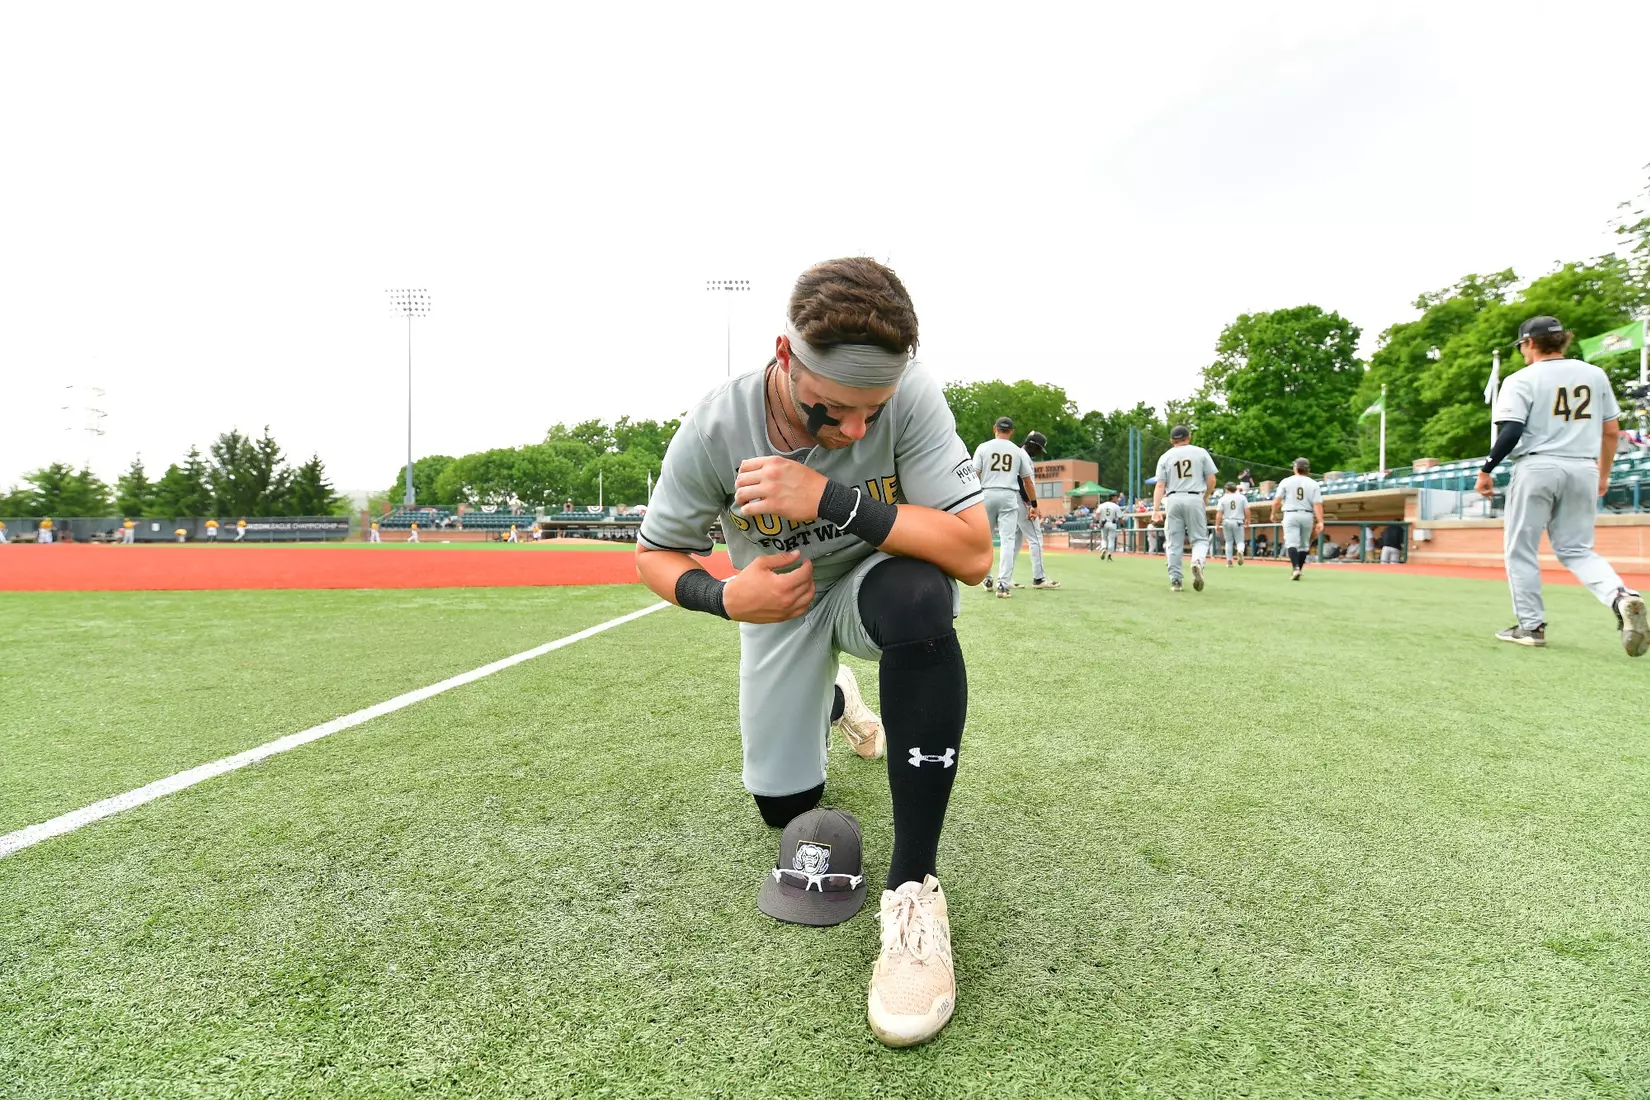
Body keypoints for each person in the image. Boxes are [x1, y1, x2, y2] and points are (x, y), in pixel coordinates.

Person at [635, 258, 989, 1047]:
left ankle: (915, 888)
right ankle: (836, 702)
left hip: (872, 586)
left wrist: (830, 497)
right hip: (779, 604)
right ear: (784, 358)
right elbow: (654, 554)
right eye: (835, 410)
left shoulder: (914, 394)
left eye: (874, 411)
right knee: (784, 811)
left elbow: (971, 553)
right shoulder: (716, 426)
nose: (857, 431)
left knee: (921, 597)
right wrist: (725, 596)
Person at [1477, 315, 1647, 655]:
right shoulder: (1594, 374)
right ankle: (1620, 596)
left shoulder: (1520, 379)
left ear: (1530, 343)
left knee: (1521, 549)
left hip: (1538, 465)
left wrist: (1487, 468)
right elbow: (1611, 432)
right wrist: (1603, 474)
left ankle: (1531, 626)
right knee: (1577, 549)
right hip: (1583, 466)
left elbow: (1511, 429)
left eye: (1522, 345)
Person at [972, 415, 1035, 598]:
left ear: (995, 429)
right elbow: (1027, 482)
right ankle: (1002, 584)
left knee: (985, 540)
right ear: (1012, 431)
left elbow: (974, 475)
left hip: (986, 494)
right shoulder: (1018, 451)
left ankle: (987, 577)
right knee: (1008, 541)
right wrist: (1034, 504)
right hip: (1009, 495)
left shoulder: (983, 447)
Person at [1151, 425, 1217, 593]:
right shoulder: (1200, 452)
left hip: (1173, 498)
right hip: (1195, 496)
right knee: (1200, 539)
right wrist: (1206, 496)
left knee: (1174, 542)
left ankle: (1176, 580)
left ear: (1171, 440)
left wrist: (1156, 509)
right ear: (1189, 437)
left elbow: (1160, 485)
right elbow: (1211, 479)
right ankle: (1197, 561)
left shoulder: (1165, 457)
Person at [1006, 430, 1060, 591]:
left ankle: (1005, 578)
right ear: (1032, 445)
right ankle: (1039, 578)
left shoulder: (1016, 453)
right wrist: (1031, 505)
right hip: (1021, 499)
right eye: (1038, 449)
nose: (1038, 453)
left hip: (1011, 499)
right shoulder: (1023, 456)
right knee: (1035, 538)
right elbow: (1023, 483)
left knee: (1015, 540)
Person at [1272, 458, 1324, 581]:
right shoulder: (1313, 483)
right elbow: (1317, 504)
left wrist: (1273, 514)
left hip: (1290, 514)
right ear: (1308, 470)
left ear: (1295, 468)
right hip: (1307, 515)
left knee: (1291, 543)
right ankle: (1299, 569)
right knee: (1304, 545)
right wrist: (1320, 521)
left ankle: (1295, 568)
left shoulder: (1286, 481)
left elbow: (1277, 501)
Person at [1217, 481, 1247, 567]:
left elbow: (1219, 513)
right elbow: (1247, 510)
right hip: (1238, 521)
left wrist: (1217, 524)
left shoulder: (1222, 498)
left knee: (1229, 542)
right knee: (1240, 541)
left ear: (1227, 489)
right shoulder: (1242, 497)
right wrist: (1248, 519)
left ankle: (1229, 561)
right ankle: (1240, 550)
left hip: (1227, 521)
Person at [1095, 492, 1122, 560]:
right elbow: (1120, 517)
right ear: (1112, 497)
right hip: (1112, 523)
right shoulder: (1116, 506)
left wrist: (1097, 522)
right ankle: (1109, 554)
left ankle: (1104, 548)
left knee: (1104, 538)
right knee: (1111, 539)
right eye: (1116, 497)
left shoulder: (1102, 505)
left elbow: (1097, 513)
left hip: (1104, 523)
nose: (1117, 499)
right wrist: (1122, 526)